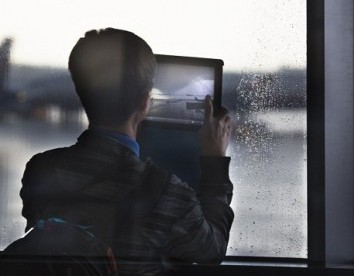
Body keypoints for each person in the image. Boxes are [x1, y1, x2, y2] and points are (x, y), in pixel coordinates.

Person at [18, 28, 234, 275]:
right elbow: (212, 249)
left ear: (80, 93)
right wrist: (215, 162)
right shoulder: (168, 193)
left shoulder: (40, 170)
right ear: (145, 102)